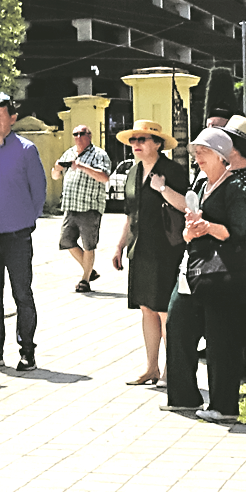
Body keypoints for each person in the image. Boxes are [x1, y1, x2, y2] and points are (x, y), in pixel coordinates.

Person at [168, 127, 246, 423]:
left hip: (221, 273)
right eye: (196, 152)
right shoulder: (200, 183)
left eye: (204, 152)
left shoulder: (234, 187)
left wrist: (207, 226)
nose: (198, 157)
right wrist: (191, 231)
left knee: (221, 339)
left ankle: (225, 405)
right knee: (178, 326)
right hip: (193, 268)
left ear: (221, 155)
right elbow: (188, 231)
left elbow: (238, 232)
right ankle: (183, 396)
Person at [0, 92, 47, 371]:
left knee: (22, 295)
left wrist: (26, 220)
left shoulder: (27, 150)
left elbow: (39, 190)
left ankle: (27, 351)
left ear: (12, 118)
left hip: (17, 235)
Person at [110, 120, 187, 387]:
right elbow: (130, 214)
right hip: (139, 250)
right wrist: (120, 245)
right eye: (133, 140)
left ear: (157, 143)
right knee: (146, 309)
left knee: (165, 311)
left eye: (142, 139)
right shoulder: (133, 172)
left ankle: (170, 370)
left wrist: (163, 188)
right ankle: (151, 367)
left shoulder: (172, 170)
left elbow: (187, 206)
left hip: (166, 250)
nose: (136, 144)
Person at [55, 125, 113, 293]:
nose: (78, 137)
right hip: (71, 206)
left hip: (89, 207)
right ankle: (89, 270)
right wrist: (56, 169)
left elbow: (104, 177)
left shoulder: (99, 154)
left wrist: (81, 166)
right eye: (76, 134)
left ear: (90, 135)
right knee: (66, 241)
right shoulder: (69, 153)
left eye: (82, 133)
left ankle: (85, 280)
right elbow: (55, 175)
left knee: (88, 245)